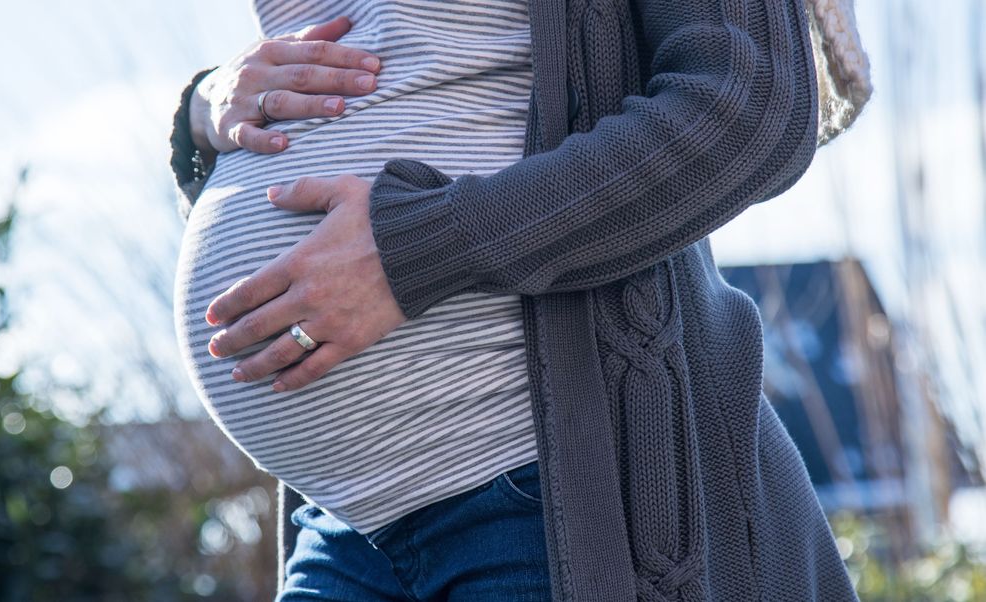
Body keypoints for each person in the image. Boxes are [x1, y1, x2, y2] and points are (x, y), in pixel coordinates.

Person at [167, 0, 872, 600]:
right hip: (342, 526)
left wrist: (417, 250)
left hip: (546, 492)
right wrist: (206, 108)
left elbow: (747, 104)